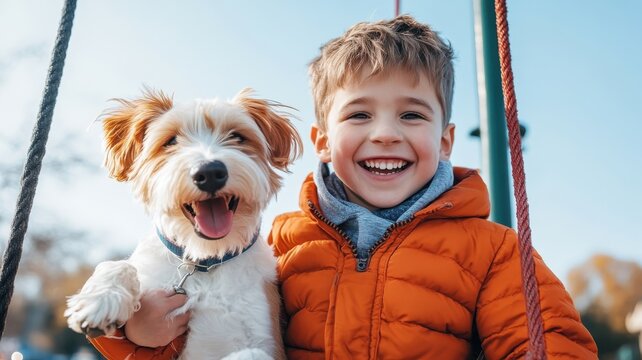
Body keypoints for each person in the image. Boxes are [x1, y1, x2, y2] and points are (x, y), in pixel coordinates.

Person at [89, 15, 597, 359]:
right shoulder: (282, 245)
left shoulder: (494, 252)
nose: (384, 132)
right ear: (323, 141)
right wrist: (135, 338)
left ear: (445, 142)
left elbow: (548, 341)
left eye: (411, 114)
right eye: (359, 114)